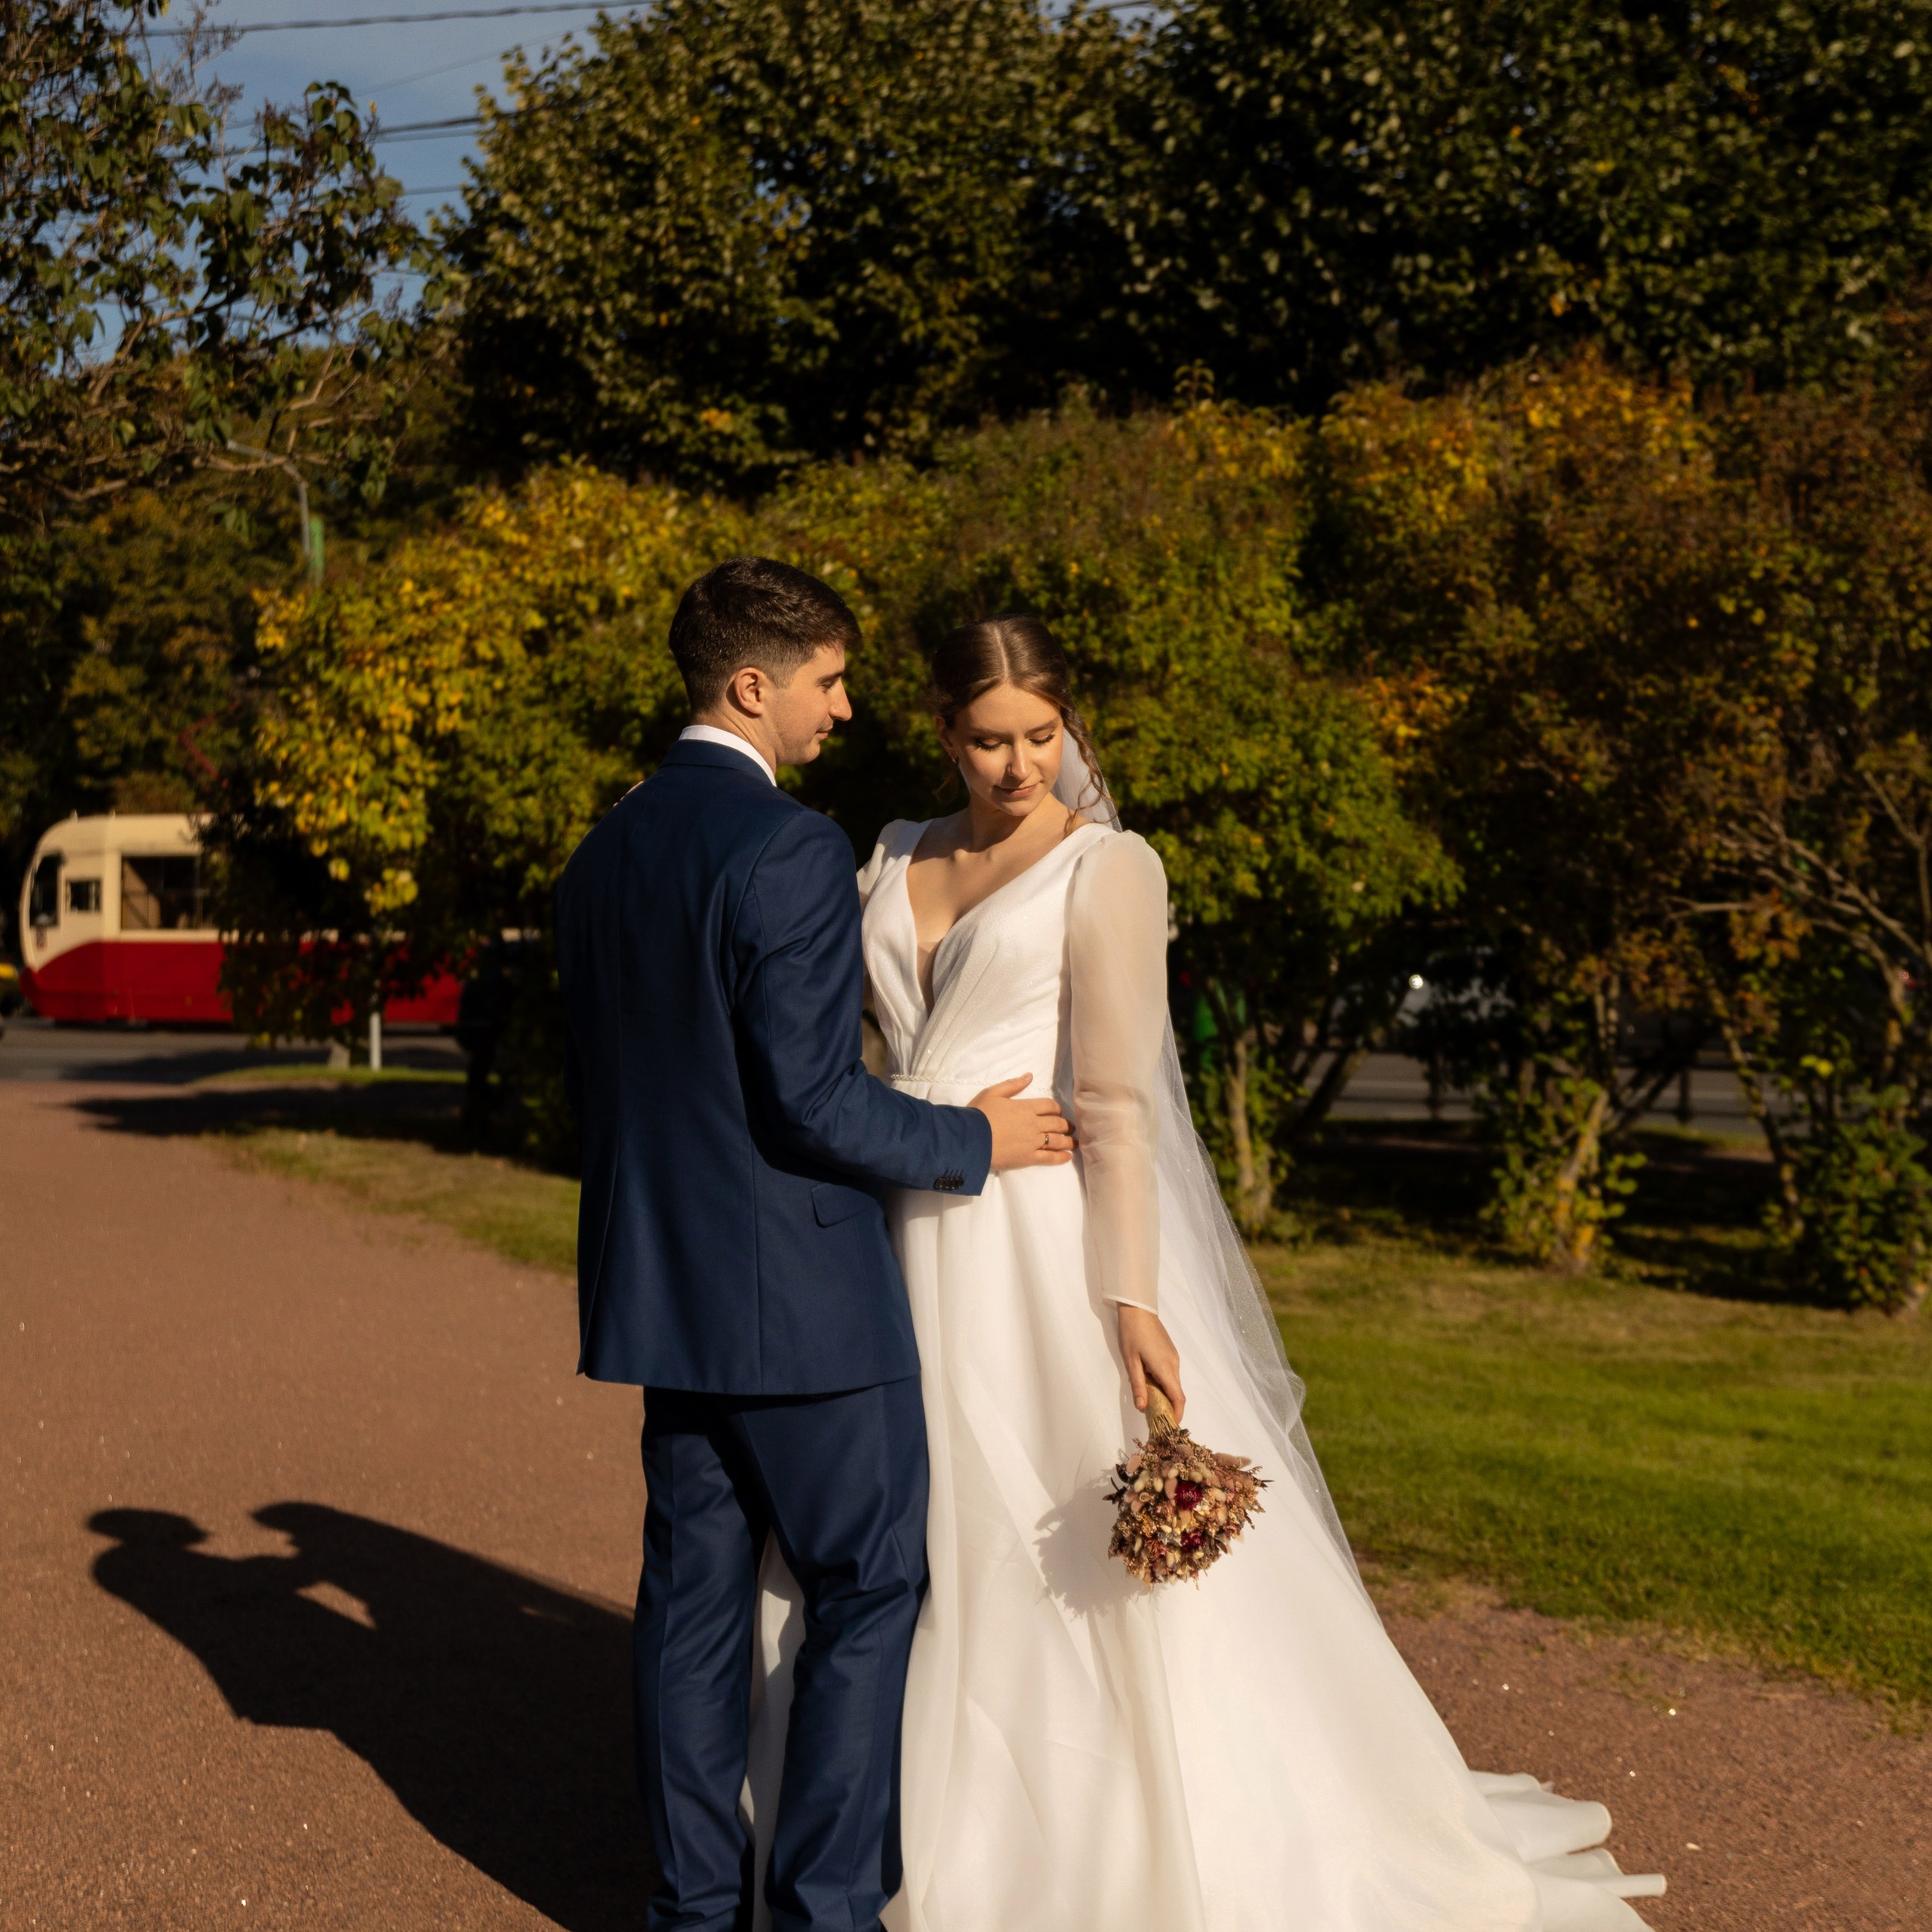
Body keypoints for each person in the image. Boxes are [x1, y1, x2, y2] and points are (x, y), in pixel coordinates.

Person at [745, 614, 1666, 1932]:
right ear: (944, 733)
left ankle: (1075, 1852)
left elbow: (1116, 1104)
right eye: (991, 741)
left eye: (1043, 737)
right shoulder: (888, 854)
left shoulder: (1109, 867)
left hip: (1032, 1250)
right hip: (904, 1221)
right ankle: (867, 1833)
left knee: (1048, 1543)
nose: (1020, 768)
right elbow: (854, 1054)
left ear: (1071, 725)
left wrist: (1131, 1299)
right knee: (901, 1541)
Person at [555, 560, 1079, 1932]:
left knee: (691, 1612)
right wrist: (974, 1142)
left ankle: (690, 1912)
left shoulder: (602, 855)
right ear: (753, 686)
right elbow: (810, 1099)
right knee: (868, 1588)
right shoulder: (784, 847)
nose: (844, 710)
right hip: (802, 1307)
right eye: (828, 682)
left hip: (662, 1298)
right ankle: (826, 1911)